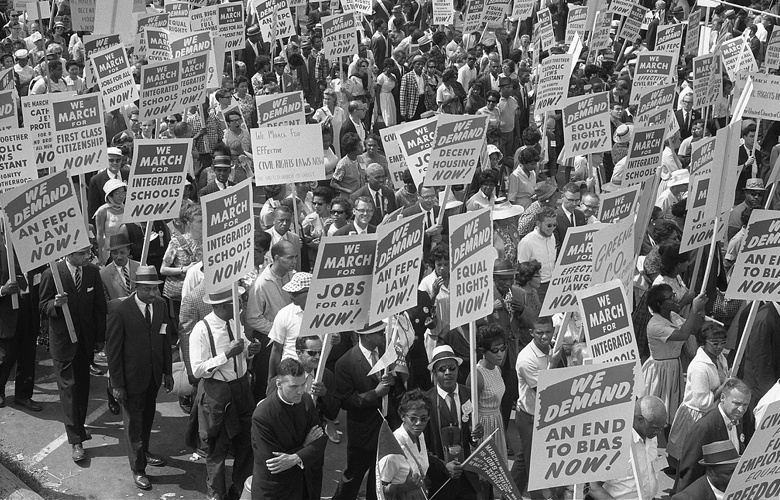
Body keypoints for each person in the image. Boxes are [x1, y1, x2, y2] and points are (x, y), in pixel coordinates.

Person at [189, 289, 261, 500]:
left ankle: (239, 489)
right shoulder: (201, 330)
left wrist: (250, 349)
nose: (240, 306)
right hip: (218, 393)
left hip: (242, 389)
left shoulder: (234, 322)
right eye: (235, 303)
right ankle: (216, 493)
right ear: (221, 306)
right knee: (217, 447)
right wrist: (226, 355)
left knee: (247, 441)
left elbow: (244, 348)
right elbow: (197, 370)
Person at [105, 265, 173, 491]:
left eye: (156, 289)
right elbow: (113, 351)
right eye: (148, 290)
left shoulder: (161, 305)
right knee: (133, 423)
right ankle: (138, 468)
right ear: (136, 288)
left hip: (153, 377)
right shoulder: (120, 310)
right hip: (130, 379)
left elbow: (164, 340)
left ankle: (143, 451)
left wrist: (168, 372)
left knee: (147, 416)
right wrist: (117, 384)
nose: (153, 294)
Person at [39, 246, 107, 462]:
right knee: (68, 389)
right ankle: (75, 440)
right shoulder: (52, 273)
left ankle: (79, 426)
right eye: (81, 253)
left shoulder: (92, 272)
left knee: (83, 387)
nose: (87, 257)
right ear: (68, 253)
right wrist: (55, 305)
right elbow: (42, 306)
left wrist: (99, 338)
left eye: (88, 252)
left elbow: (99, 305)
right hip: (63, 341)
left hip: (85, 341)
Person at [332, 321, 399, 500]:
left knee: (379, 475)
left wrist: (393, 382)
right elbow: (346, 400)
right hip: (362, 430)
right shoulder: (345, 363)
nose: (383, 335)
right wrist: (374, 394)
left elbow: (397, 387)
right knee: (353, 474)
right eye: (379, 333)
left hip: (386, 426)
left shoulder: (387, 353)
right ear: (367, 336)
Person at [251, 358, 328, 500]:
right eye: (294, 386)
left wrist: (294, 458)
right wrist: (305, 447)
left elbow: (321, 439)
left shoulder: (306, 401)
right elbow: (275, 463)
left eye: (303, 384)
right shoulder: (263, 416)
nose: (300, 391)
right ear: (279, 384)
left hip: (304, 487)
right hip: (276, 491)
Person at [642, 284, 707, 428]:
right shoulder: (655, 325)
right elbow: (683, 334)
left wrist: (699, 309)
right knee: (657, 412)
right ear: (660, 304)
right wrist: (694, 309)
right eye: (671, 297)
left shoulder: (674, 317)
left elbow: (693, 329)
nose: (675, 298)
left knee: (672, 410)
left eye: (674, 295)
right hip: (660, 371)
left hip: (674, 366)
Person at [423, 345, 483, 499]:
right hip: (439, 479)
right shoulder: (427, 401)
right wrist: (444, 466)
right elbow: (423, 446)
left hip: (467, 477)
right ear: (434, 373)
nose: (448, 373)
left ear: (457, 369)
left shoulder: (469, 394)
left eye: (452, 368)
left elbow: (472, 438)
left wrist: (476, 435)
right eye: (442, 369)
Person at [667, 322, 730, 468]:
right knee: (688, 459)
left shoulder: (720, 358)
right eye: (715, 343)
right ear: (704, 342)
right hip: (696, 416)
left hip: (712, 414)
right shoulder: (699, 367)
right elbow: (703, 404)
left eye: (723, 343)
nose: (720, 347)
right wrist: (723, 386)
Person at [674, 378, 751, 493]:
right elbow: (689, 472)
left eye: (745, 405)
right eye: (737, 403)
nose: (741, 409)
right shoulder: (704, 428)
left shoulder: (737, 419)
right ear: (723, 398)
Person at [588, 395, 668, 500]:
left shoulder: (651, 435)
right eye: (656, 428)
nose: (659, 432)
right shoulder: (615, 443)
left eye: (662, 427)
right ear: (640, 419)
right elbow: (593, 487)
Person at [511, 316, 556, 499]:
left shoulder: (553, 347)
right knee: (535, 468)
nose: (545, 337)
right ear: (531, 333)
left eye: (548, 332)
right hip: (530, 418)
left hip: (544, 415)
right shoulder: (525, 360)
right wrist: (554, 363)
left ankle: (509, 493)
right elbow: (547, 392)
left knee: (524, 458)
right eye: (540, 333)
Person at [245, 240, 296, 400]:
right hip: (269, 342)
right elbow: (253, 318)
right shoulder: (260, 284)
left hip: (291, 339)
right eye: (289, 258)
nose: (294, 261)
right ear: (276, 257)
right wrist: (278, 330)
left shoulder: (293, 276)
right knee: (266, 383)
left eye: (295, 257)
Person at [466, 324, 508, 471]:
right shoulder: (476, 376)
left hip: (497, 423)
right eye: (495, 350)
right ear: (483, 351)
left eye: (503, 349)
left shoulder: (498, 369)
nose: (500, 354)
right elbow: (468, 410)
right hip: (483, 427)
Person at [377, 389, 430, 500]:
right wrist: (405, 487)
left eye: (424, 419)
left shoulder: (420, 435)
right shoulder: (393, 450)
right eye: (413, 418)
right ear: (402, 416)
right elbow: (380, 488)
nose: (419, 423)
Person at [160, 204, 203, 321]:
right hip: (179, 295)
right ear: (189, 223)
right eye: (200, 221)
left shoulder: (209, 242)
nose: (203, 224)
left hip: (201, 293)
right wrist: (184, 269)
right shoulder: (176, 242)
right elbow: (163, 269)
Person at [671, 440, 739, 500]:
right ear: (710, 471)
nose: (735, 476)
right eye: (728, 473)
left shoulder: (741, 488)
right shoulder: (687, 498)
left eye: (737, 470)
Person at [517, 206, 557, 303]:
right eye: (549, 225)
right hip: (537, 288)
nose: (552, 229)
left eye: (554, 225)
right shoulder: (527, 242)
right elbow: (522, 269)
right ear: (538, 223)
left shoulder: (552, 237)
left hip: (552, 285)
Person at [87, 147, 129, 222]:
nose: (115, 163)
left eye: (118, 160)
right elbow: (92, 208)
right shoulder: (96, 180)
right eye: (111, 160)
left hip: (127, 220)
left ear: (121, 160)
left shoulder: (128, 174)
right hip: (107, 223)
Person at [95, 178, 127, 264]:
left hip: (125, 248)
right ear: (110, 195)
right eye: (118, 193)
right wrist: (100, 255)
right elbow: (100, 234)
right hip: (109, 248)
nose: (121, 196)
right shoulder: (102, 211)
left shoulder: (127, 209)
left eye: (123, 193)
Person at [266, 206, 302, 270]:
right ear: (274, 220)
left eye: (288, 221)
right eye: (281, 220)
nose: (285, 223)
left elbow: (297, 263)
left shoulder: (294, 238)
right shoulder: (266, 236)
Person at [331, 132, 367, 197]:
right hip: (348, 198)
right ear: (352, 149)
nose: (362, 147)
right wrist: (347, 190)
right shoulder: (343, 165)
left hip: (361, 196)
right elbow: (333, 183)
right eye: (359, 146)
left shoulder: (361, 159)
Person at [554, 182, 586, 254]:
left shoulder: (580, 215)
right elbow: (556, 245)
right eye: (570, 200)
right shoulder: (555, 217)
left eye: (577, 200)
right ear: (562, 197)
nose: (574, 204)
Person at [375, 59, 398, 126]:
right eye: (387, 67)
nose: (388, 69)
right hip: (382, 98)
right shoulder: (381, 77)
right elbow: (377, 93)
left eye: (390, 67)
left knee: (391, 117)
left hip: (390, 97)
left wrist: (395, 81)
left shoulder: (393, 76)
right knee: (386, 117)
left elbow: (395, 91)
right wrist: (379, 107)